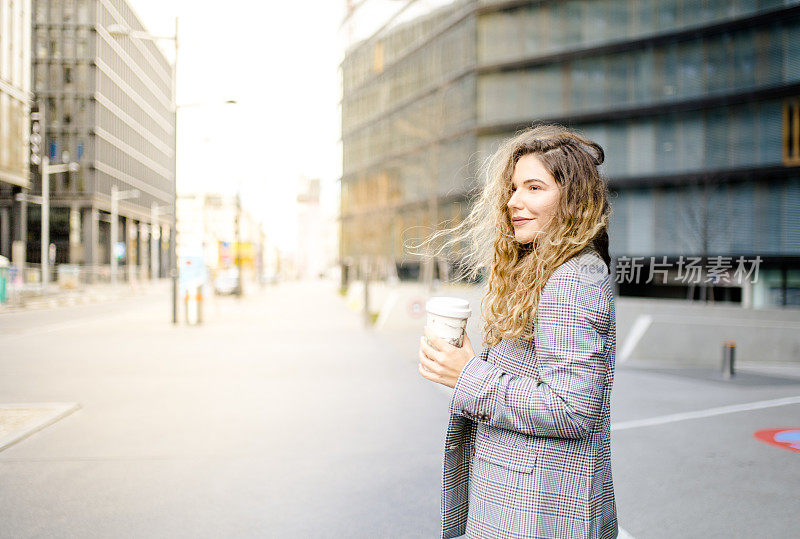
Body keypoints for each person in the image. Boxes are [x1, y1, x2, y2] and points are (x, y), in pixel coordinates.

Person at [417, 124, 617, 538]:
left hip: (536, 509)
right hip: (519, 499)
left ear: (573, 197)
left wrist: (468, 375)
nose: (514, 202)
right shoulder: (542, 269)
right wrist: (459, 367)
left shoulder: (570, 278)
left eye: (534, 188)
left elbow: (572, 408)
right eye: (513, 189)